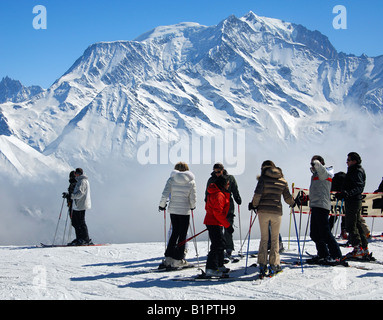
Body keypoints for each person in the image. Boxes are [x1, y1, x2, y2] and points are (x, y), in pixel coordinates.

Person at [249, 160, 295, 277]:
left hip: (263, 211)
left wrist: (253, 205)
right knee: (275, 239)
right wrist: (293, 203)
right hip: (276, 212)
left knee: (264, 238)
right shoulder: (283, 181)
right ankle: (274, 264)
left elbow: (257, 195)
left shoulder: (263, 179)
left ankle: (262, 264)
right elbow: (287, 197)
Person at [159, 162, 197, 269]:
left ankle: (168, 258)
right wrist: (192, 206)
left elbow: (165, 193)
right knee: (182, 235)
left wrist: (162, 205)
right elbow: (193, 197)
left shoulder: (171, 179)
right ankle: (178, 259)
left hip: (173, 211)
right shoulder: (191, 181)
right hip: (185, 211)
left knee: (174, 233)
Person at [307, 155, 342, 264]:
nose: (312, 166)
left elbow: (320, 168)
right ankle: (323, 254)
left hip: (322, 206)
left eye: (313, 164)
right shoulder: (315, 175)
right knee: (315, 233)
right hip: (315, 205)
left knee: (325, 233)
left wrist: (316, 162)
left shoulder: (324, 173)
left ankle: (336, 255)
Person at [205, 163, 241, 261]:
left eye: (218, 171)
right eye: (215, 171)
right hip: (217, 206)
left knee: (228, 226)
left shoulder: (230, 178)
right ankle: (218, 250)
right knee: (218, 230)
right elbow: (207, 194)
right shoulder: (211, 180)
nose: (217, 173)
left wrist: (237, 198)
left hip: (228, 206)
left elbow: (235, 190)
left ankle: (228, 248)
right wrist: (207, 204)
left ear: (222, 170)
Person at [335, 152, 368, 259]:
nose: (347, 162)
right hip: (352, 200)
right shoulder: (354, 170)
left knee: (351, 224)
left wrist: (348, 193)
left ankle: (358, 248)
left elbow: (359, 187)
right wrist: (343, 193)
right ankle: (363, 248)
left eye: (348, 160)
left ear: (354, 161)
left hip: (353, 201)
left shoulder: (357, 171)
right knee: (357, 224)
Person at [204, 174, 233, 277]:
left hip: (213, 221)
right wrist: (228, 225)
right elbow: (217, 213)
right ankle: (211, 268)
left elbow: (207, 207)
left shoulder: (213, 192)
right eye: (228, 183)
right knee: (217, 245)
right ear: (223, 184)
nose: (229, 185)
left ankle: (219, 265)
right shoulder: (219, 194)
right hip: (214, 222)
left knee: (221, 243)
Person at [65, 168, 92, 246]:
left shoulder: (82, 181)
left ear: (79, 173)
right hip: (79, 204)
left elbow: (80, 193)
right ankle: (80, 238)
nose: (75, 174)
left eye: (76, 173)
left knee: (80, 222)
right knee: (78, 222)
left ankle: (85, 239)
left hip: (80, 204)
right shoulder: (81, 181)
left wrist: (70, 196)